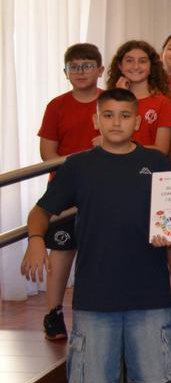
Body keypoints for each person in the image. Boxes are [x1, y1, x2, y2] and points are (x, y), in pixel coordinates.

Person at [21, 88, 171, 383]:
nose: (116, 123)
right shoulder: (79, 165)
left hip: (148, 285)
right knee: (95, 371)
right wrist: (35, 240)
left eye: (125, 116)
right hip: (95, 287)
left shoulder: (156, 162)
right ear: (96, 120)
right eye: (108, 116)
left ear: (138, 121)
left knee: (150, 365)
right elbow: (41, 211)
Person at [36, 42, 103, 341]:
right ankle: (53, 313)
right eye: (74, 67)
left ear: (100, 70)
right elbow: (47, 152)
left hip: (104, 184)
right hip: (65, 184)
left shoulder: (110, 102)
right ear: (65, 72)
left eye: (87, 65)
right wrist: (77, 169)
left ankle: (98, 311)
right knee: (61, 249)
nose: (80, 72)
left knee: (99, 249)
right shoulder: (57, 105)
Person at [106, 40, 171, 154]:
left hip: (148, 168)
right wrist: (120, 95)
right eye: (129, 61)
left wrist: (123, 147)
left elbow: (162, 150)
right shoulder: (108, 101)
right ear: (120, 66)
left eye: (142, 61)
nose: (136, 66)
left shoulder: (163, 103)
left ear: (151, 67)